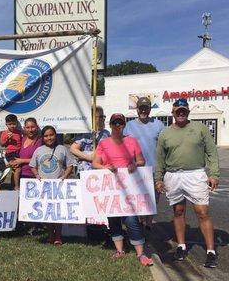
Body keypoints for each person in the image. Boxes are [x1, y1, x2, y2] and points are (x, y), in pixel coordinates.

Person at [155, 98, 220, 268]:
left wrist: (214, 174)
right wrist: (158, 179)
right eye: (178, 110)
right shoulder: (165, 133)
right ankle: (182, 247)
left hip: (196, 175)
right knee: (178, 211)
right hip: (173, 176)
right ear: (173, 113)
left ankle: (211, 251)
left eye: (184, 110)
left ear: (188, 112)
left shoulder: (200, 129)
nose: (181, 113)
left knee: (202, 212)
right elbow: (160, 159)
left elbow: (212, 153)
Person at [92, 113, 153, 266]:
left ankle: (140, 253)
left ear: (124, 124)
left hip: (129, 187)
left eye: (120, 123)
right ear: (110, 125)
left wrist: (135, 165)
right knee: (113, 220)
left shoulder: (132, 141)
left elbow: (141, 160)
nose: (118, 125)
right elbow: (95, 164)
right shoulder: (103, 143)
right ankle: (120, 250)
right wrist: (106, 167)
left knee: (132, 220)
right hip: (111, 187)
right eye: (115, 123)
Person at [123, 97, 165, 230]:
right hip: (135, 169)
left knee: (153, 199)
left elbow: (165, 147)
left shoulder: (159, 125)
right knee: (138, 197)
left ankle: (148, 223)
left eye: (146, 108)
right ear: (137, 109)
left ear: (150, 109)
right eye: (141, 108)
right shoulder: (128, 126)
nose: (143, 111)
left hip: (154, 169)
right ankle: (141, 222)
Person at [29, 125, 74, 245]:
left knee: (58, 212)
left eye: (51, 135)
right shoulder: (38, 150)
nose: (49, 138)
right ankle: (50, 235)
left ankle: (58, 236)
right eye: (46, 136)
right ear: (42, 137)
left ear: (55, 135)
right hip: (44, 187)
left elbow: (70, 165)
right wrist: (37, 176)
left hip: (58, 187)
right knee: (48, 212)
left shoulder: (62, 149)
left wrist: (65, 176)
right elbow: (32, 166)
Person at [70, 106, 110, 173]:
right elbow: (73, 149)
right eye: (100, 117)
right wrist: (88, 157)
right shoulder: (85, 133)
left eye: (103, 116)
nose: (103, 119)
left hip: (100, 169)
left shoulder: (106, 133)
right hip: (85, 170)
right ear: (92, 118)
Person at [0, 114, 22, 189]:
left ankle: (13, 186)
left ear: (16, 123)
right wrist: (7, 139)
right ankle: (16, 187)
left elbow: (21, 142)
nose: (12, 126)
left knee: (15, 171)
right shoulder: (4, 133)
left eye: (14, 124)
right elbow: (2, 144)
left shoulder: (19, 132)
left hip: (18, 153)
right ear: (6, 124)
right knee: (17, 169)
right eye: (10, 124)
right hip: (10, 154)